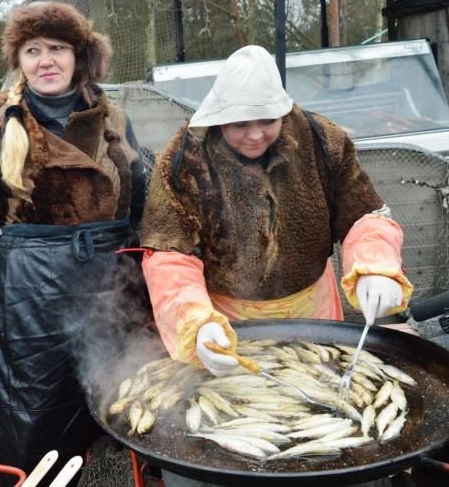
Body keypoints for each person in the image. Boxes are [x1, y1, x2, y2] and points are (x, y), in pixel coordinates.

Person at [140, 45, 413, 485]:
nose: (254, 135)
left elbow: (364, 215)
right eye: (239, 124)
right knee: (241, 431)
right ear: (217, 119)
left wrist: (376, 265)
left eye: (266, 121)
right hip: (229, 323)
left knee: (320, 418)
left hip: (314, 312)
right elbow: (169, 255)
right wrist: (194, 322)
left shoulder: (323, 142)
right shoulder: (183, 162)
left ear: (283, 113)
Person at [0, 1, 148, 486]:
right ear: (18, 61)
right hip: (29, 311)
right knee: (33, 429)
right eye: (32, 50)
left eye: (57, 48)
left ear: (79, 56)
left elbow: (140, 206)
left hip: (116, 295)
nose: (45, 60)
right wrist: (31, 273)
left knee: (125, 411)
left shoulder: (115, 123)